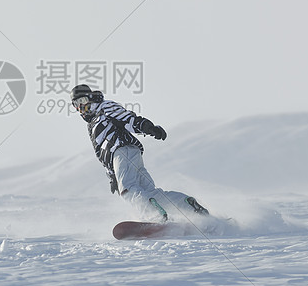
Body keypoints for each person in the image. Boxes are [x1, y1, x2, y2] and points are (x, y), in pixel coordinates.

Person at [70, 84, 208, 222]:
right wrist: (112, 176)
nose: (80, 107)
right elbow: (101, 153)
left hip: (122, 151)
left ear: (90, 97)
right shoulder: (92, 123)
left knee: (128, 190)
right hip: (126, 156)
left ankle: (155, 216)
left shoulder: (104, 107)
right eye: (76, 104)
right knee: (150, 192)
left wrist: (148, 127)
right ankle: (188, 205)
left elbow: (127, 118)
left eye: (82, 101)